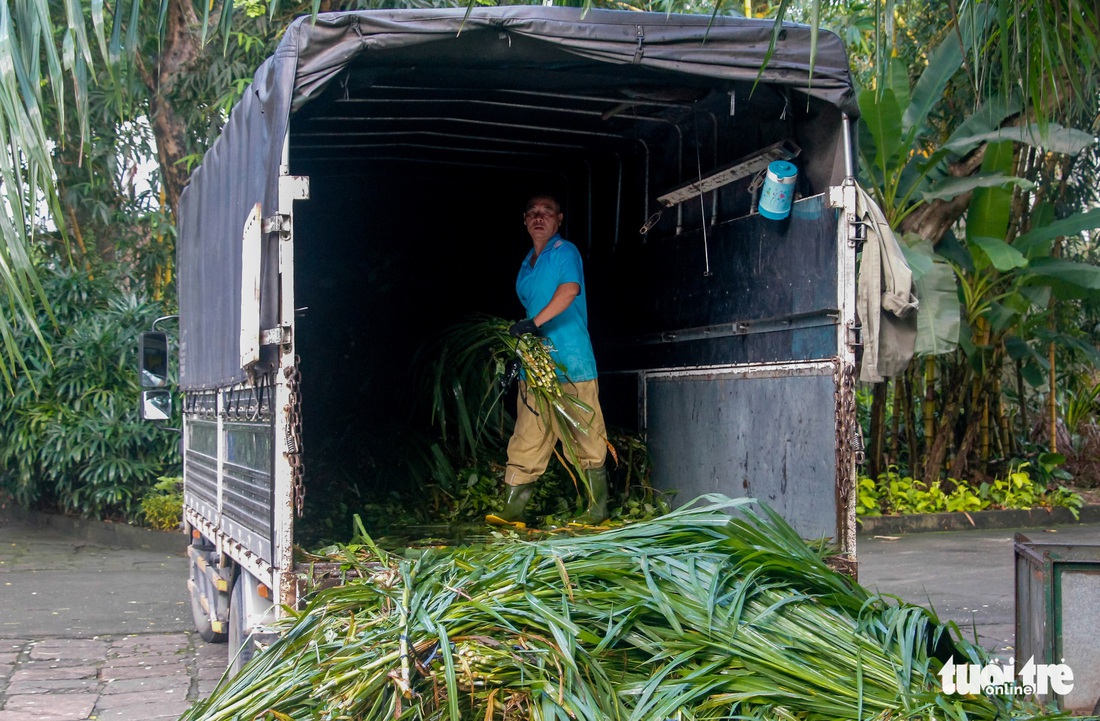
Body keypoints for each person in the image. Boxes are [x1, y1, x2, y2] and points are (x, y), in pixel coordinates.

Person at [488, 193, 609, 527]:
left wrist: (533, 324)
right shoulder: (527, 263)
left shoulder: (564, 252)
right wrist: (520, 351)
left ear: (559, 220)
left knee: (584, 432)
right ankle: (512, 511)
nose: (538, 217)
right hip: (537, 364)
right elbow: (531, 311)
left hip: (572, 361)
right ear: (525, 221)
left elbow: (569, 292)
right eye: (532, 213)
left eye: (547, 212)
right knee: (528, 434)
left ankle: (597, 510)